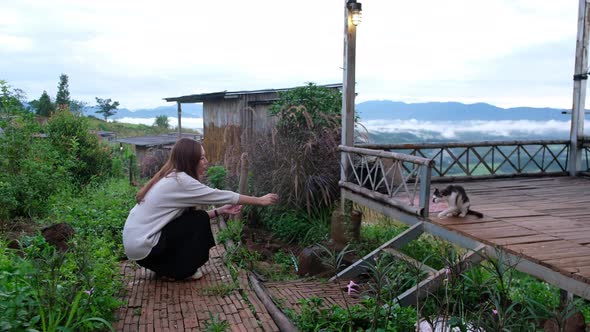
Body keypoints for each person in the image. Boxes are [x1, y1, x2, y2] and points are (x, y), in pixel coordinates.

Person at [122, 138, 278, 280]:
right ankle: (180, 271)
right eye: (202, 158)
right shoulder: (181, 181)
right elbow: (221, 195)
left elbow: (179, 220)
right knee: (198, 220)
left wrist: (221, 210)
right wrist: (259, 200)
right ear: (190, 160)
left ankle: (165, 267)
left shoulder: (171, 177)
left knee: (193, 218)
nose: (206, 161)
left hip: (138, 248)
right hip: (145, 247)